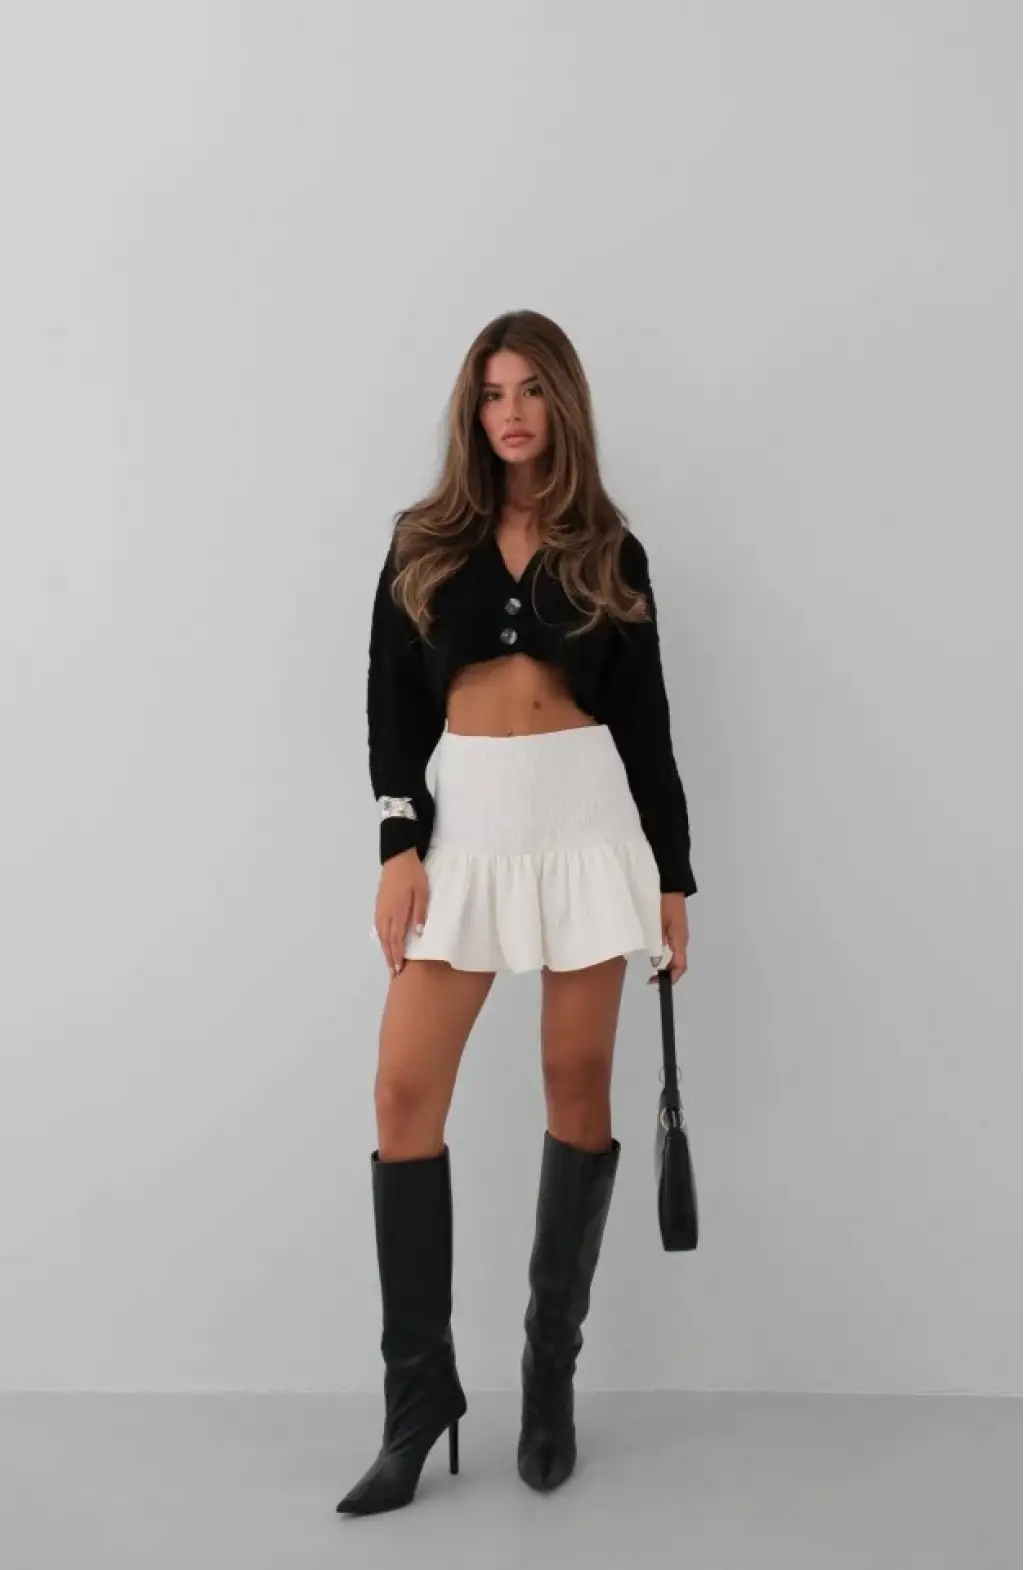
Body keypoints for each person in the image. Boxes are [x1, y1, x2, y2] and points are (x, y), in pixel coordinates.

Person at [337, 309, 697, 1517]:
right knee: (402, 1090)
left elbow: (647, 725)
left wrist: (673, 879)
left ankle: (549, 1374)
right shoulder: (423, 542)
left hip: (586, 824)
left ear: (561, 404)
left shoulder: (608, 549)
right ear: (471, 410)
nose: (511, 412)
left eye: (532, 389)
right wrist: (398, 845)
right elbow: (391, 708)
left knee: (576, 1080)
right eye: (493, 392)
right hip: (470, 833)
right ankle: (418, 1394)